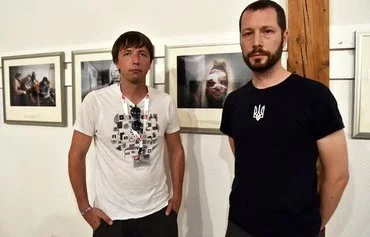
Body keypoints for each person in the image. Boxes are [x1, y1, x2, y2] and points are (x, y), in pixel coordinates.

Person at [220, 1, 349, 237]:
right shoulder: (234, 101)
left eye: (267, 31)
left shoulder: (314, 96)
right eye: (248, 33)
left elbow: (338, 174)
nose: (257, 41)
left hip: (297, 229)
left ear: (285, 37)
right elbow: (243, 155)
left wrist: (314, 225)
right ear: (240, 39)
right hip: (240, 226)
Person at [68, 31, 185, 237]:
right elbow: (76, 155)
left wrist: (177, 197)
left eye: (143, 54)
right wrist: (85, 208)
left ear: (150, 63)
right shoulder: (95, 102)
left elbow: (176, 150)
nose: (136, 60)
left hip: (158, 212)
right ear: (117, 62)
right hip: (111, 217)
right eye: (128, 53)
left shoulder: (165, 102)